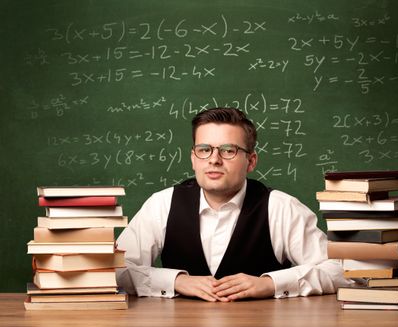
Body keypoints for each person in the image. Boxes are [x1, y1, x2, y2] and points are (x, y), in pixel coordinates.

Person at [116, 107, 350, 302]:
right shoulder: (162, 204)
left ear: (251, 161)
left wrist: (270, 284)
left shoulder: (280, 207)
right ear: (193, 159)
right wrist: (176, 281)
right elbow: (115, 269)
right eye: (204, 150)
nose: (214, 159)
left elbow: (340, 271)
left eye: (228, 150)